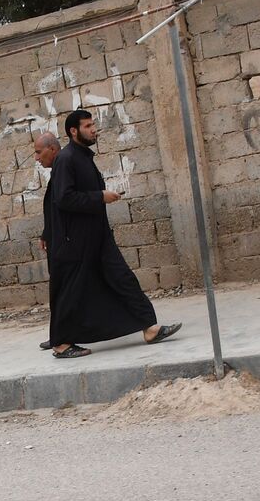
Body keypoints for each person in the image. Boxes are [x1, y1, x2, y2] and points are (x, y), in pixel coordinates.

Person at [47, 109, 181, 359]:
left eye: (93, 125)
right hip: (77, 241)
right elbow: (63, 198)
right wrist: (100, 197)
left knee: (122, 278)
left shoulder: (83, 157)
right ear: (73, 131)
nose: (94, 129)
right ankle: (61, 344)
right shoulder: (66, 159)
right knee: (72, 290)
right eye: (87, 126)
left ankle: (149, 328)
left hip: (98, 236)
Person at [34, 132, 61, 352]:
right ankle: (59, 336)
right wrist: (46, 233)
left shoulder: (63, 169)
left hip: (65, 243)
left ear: (52, 149)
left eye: (38, 152)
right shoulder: (58, 171)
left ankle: (60, 339)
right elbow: (54, 209)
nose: (36, 158)